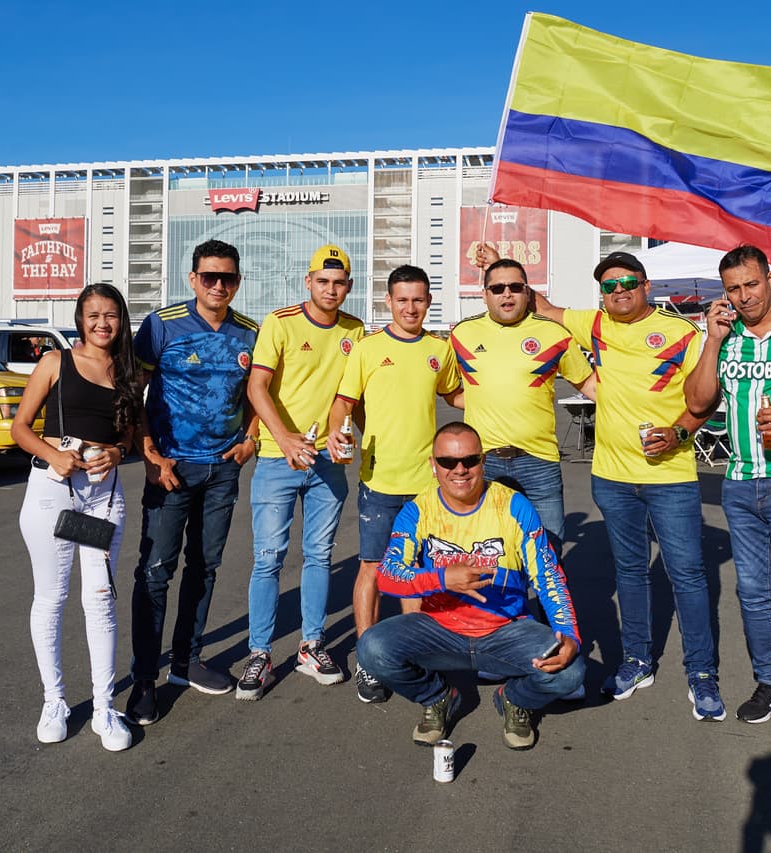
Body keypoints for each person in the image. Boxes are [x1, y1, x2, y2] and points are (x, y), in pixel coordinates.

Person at [534, 252, 719, 717]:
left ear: (646, 284)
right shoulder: (595, 323)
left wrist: (677, 433)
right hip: (612, 477)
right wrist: (495, 261)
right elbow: (542, 307)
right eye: (610, 285)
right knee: (631, 573)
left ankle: (702, 672)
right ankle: (637, 660)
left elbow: (704, 400)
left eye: (628, 283)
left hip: (670, 477)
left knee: (689, 576)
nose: (619, 291)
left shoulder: (681, 333)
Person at [356, 422, 585, 750]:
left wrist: (568, 633)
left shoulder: (513, 505)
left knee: (571, 670)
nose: (459, 469)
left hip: (505, 631)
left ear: (483, 461)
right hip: (439, 631)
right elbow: (389, 576)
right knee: (371, 648)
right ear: (433, 466)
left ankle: (514, 700)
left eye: (470, 460)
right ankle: (438, 697)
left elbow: (548, 576)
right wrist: (442, 578)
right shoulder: (418, 510)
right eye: (448, 462)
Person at [683, 245, 771, 761]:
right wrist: (712, 339)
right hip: (739, 484)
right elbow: (698, 403)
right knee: (752, 595)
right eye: (734, 289)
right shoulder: (728, 334)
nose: (744, 297)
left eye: (752, 285)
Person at [125, 239, 260, 726]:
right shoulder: (163, 324)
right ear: (193, 279)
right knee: (156, 571)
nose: (218, 285)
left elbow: (258, 396)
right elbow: (131, 392)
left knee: (204, 567)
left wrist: (250, 441)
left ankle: (186, 661)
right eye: (209, 277)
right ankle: (144, 677)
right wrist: (148, 452)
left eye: (227, 278)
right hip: (171, 469)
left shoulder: (250, 333)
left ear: (238, 282)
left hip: (223, 468)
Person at [13, 283, 141, 752]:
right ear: (79, 319)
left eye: (112, 315)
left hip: (102, 497)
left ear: (121, 321)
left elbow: (126, 438)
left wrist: (115, 451)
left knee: (101, 596)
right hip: (52, 491)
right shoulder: (55, 362)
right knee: (51, 597)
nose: (103, 323)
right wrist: (53, 454)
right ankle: (55, 701)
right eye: (94, 315)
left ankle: (105, 707)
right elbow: (19, 428)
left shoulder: (129, 372)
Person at [328, 264, 462, 703]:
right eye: (402, 299)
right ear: (388, 301)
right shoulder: (367, 349)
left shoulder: (439, 351)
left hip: (429, 484)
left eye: (419, 299)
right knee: (373, 567)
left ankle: (413, 653)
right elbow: (344, 402)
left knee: (419, 571)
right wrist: (337, 431)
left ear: (428, 302)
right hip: (381, 479)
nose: (410, 307)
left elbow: (456, 394)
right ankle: (369, 660)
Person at [236, 245, 364, 700]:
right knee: (269, 557)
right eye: (323, 281)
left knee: (319, 555)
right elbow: (257, 386)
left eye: (340, 282)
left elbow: (346, 397)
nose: (331, 290)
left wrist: (340, 434)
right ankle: (260, 653)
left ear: (349, 286)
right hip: (278, 456)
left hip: (327, 460)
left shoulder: (355, 330)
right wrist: (286, 438)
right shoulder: (281, 321)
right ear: (308, 281)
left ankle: (312, 645)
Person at [450, 252, 595, 553]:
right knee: (487, 556)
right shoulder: (461, 334)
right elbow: (448, 391)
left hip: (539, 462)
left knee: (548, 558)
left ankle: (545, 603)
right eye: (498, 288)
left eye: (516, 287)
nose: (507, 294)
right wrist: (483, 400)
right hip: (483, 463)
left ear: (527, 293)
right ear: (484, 294)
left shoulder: (555, 333)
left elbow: (592, 387)